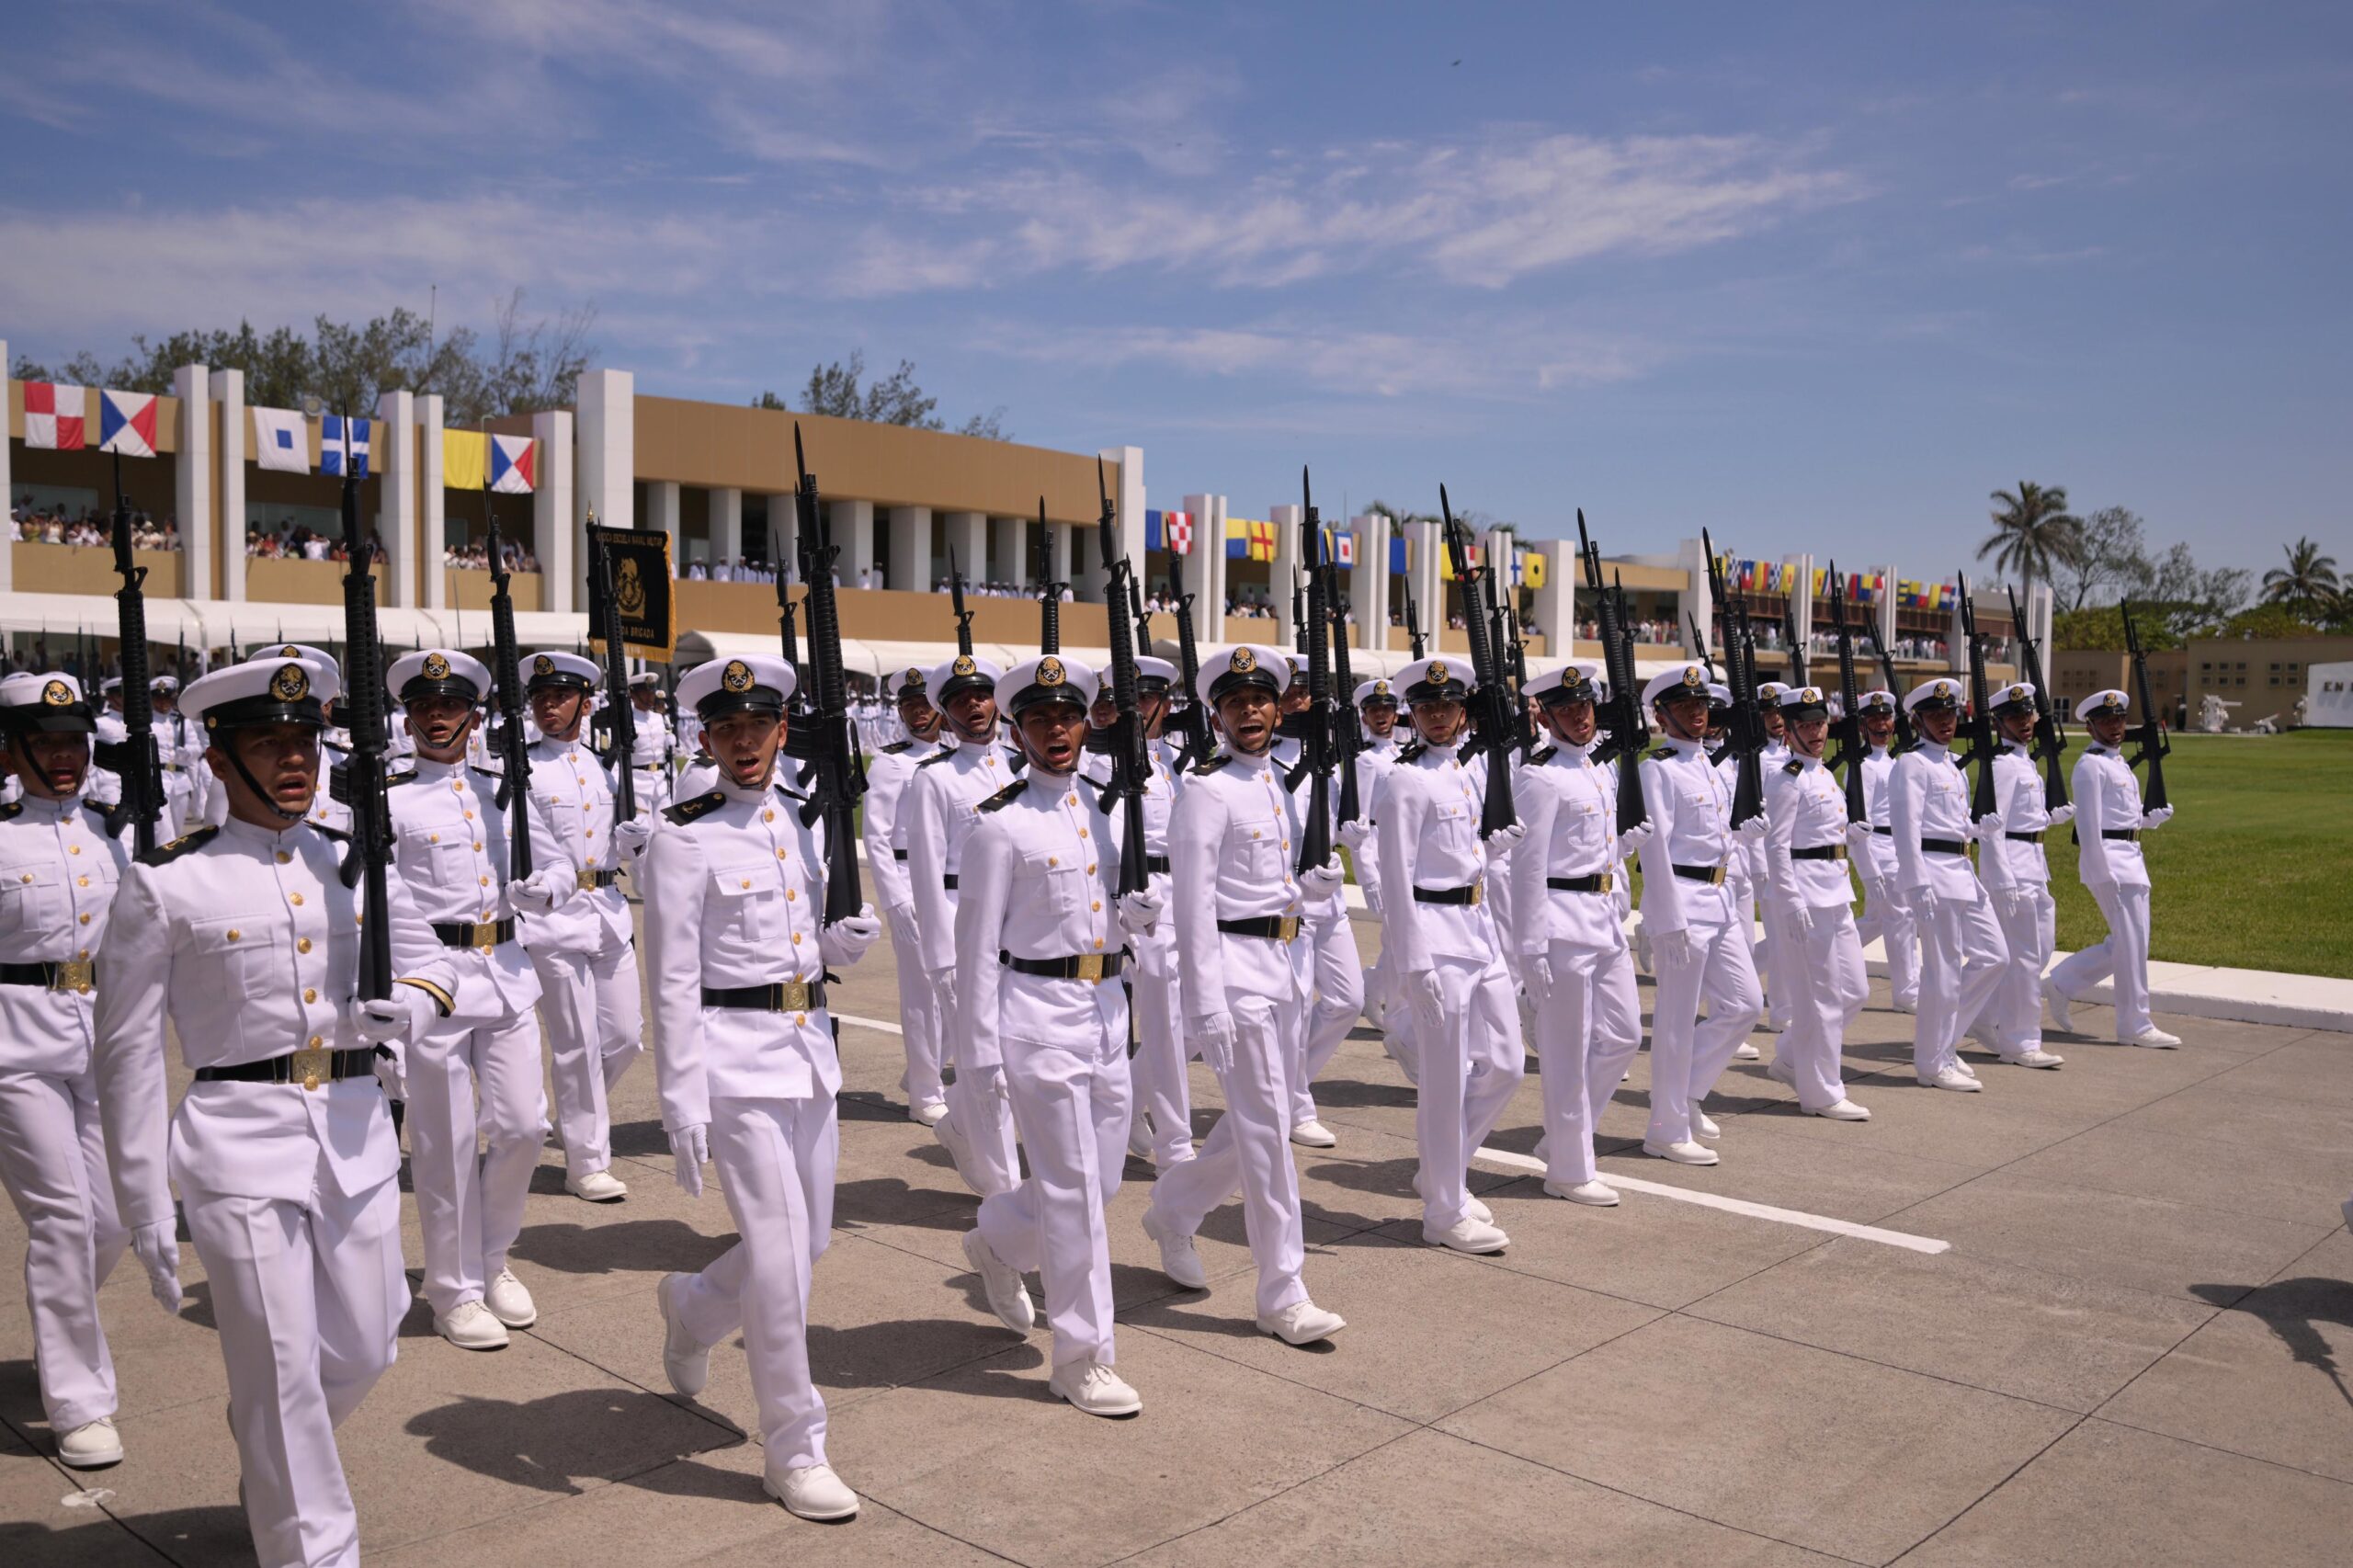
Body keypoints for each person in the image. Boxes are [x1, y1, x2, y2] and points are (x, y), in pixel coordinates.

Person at [94, 652, 456, 1568]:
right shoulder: (166, 883)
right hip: (237, 1144)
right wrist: (143, 1201)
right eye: (268, 744)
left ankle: (269, 1444)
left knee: (369, 1343)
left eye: (304, 743)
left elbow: (436, 961)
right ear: (219, 759)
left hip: (354, 1131)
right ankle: (313, 1546)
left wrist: (411, 1004)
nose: (294, 760)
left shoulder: (352, 859)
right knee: (285, 1367)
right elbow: (126, 1054)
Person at [644, 654, 880, 1521]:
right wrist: (680, 1099)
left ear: (783, 731)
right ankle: (795, 1448)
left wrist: (840, 945)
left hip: (808, 1052)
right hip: (732, 1061)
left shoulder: (804, 816)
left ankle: (696, 1306)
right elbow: (671, 978)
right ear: (705, 739)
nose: (743, 742)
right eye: (726, 729)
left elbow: (804, 937)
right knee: (779, 1259)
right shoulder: (683, 835)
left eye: (757, 726)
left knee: (807, 1244)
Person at [951, 654, 1164, 1414]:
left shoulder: (1109, 807)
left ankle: (998, 1240)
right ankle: (1083, 1357)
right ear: (1017, 732)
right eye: (1040, 719)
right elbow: (975, 950)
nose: (1057, 730)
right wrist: (978, 1057)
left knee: (1099, 1184)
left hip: (1107, 1010)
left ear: (1085, 724)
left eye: (1068, 716)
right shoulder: (999, 824)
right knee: (1074, 1195)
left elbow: (1122, 906)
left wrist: (1141, 919)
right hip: (1036, 1016)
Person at [1140, 644, 1347, 1343]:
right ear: (1216, 717)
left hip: (1284, 968)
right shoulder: (1207, 790)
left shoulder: (1281, 782)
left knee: (1259, 1123)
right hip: (1236, 977)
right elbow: (1194, 904)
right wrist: (1205, 1002)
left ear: (1278, 709)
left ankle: (1173, 1209)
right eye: (1234, 703)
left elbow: (1274, 884)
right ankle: (1283, 1292)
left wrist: (1311, 891)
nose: (1249, 712)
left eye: (1260, 700)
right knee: (1267, 1139)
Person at [382, 650, 579, 1350]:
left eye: (450, 707)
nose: (437, 718)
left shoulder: (503, 789)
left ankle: (492, 1258)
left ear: (474, 716)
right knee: (447, 1144)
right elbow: (376, 894)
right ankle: (453, 1288)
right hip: (432, 981)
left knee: (525, 1125)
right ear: (407, 718)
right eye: (423, 708)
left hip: (506, 972)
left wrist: (546, 889)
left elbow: (558, 860)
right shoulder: (389, 797)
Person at [0, 672, 131, 1468]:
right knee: (62, 1218)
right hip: (15, 1046)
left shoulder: (113, 833)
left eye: (74, 742)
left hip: (101, 1037)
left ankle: (58, 1326)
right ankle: (80, 1403)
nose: (63, 757)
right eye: (45, 743)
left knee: (112, 1219)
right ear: (10, 754)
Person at [1374, 655, 1526, 1252]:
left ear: (1465, 712)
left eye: (1449, 706)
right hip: (1436, 938)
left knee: (1508, 1065)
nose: (1439, 716)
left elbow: (1467, 856)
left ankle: (1445, 1174)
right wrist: (1414, 964)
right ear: (1411, 714)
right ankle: (1443, 1211)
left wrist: (1493, 854)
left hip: (1478, 929)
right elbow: (1395, 879)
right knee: (1445, 1082)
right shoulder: (1405, 780)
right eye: (1427, 707)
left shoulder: (1464, 770)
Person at [519, 651, 654, 1201]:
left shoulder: (604, 767)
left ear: (586, 705)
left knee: (624, 1037)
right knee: (576, 1044)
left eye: (560, 697)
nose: (548, 706)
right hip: (553, 919)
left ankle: (576, 1113)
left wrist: (632, 844)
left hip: (608, 912)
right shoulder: (522, 769)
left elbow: (618, 848)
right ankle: (587, 1163)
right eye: (540, 698)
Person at [1510, 661, 1646, 1203]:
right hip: (1563, 924)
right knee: (1567, 1053)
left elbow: (1599, 847)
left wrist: (1623, 859)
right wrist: (1531, 947)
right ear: (1546, 718)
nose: (1581, 717)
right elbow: (1526, 869)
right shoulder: (1540, 777)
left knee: (1624, 1035)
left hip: (1603, 919)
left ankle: (1564, 1140)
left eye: (1585, 706)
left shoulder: (1597, 769)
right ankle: (1569, 1170)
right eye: (1567, 710)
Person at [1634, 665, 1765, 1165]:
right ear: (1662, 715)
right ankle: (1665, 1129)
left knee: (1745, 1004)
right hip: (1685, 905)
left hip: (1721, 899)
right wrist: (1666, 919)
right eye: (1685, 706)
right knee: (1675, 1020)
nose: (1697, 713)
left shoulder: (1710, 764)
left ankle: (1685, 1094)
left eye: (1701, 705)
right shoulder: (1659, 769)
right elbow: (1655, 851)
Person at [904, 653, 1024, 1196]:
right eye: (960, 700)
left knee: (1013, 1056)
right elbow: (926, 872)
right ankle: (1006, 1191)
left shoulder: (1020, 766)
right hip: (962, 929)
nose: (973, 706)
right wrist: (941, 956)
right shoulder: (935, 778)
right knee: (982, 1059)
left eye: (981, 695)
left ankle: (957, 1121)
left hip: (1017, 933)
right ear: (944, 712)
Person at [1758, 686, 1872, 1119]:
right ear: (1788, 731)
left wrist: (1849, 838)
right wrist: (1790, 901)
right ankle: (1822, 1092)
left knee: (1855, 991)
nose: (1816, 732)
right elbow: (1777, 847)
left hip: (1836, 894)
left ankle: (1791, 1059)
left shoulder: (1823, 773)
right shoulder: (1787, 779)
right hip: (1807, 898)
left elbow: (1824, 834)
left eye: (1820, 723)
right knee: (1822, 998)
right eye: (1806, 725)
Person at [1888, 676, 2007, 1092]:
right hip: (1934, 877)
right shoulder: (1911, 764)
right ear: (1917, 720)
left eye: (1950, 714)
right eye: (1936, 715)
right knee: (1943, 973)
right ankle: (1932, 1063)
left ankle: (1946, 1043)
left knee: (1995, 956)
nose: (1946, 722)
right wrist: (1916, 882)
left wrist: (1976, 829)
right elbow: (1906, 828)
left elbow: (1948, 822)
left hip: (1962, 871)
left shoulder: (1953, 764)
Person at [2045, 687, 2180, 1047]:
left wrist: (2149, 820)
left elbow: (2121, 817)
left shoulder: (2118, 763)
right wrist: (2100, 871)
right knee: (2131, 943)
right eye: (2106, 721)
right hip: (2111, 864)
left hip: (2132, 859)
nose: (2115, 726)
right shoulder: (2090, 766)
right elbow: (2088, 827)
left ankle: (2061, 983)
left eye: (2119, 719)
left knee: (2130, 942)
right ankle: (2135, 1024)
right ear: (2090, 727)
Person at [863, 665, 951, 1124]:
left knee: (964, 988)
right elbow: (876, 836)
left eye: (924, 704)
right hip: (909, 879)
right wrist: (894, 899)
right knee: (923, 993)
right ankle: (925, 1093)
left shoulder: (954, 758)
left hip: (950, 883)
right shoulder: (890, 762)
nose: (917, 712)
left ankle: (924, 1069)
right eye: (909, 705)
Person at [1972, 682, 2069, 1069]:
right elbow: (1992, 828)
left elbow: (2023, 818)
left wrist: (2048, 817)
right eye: (2014, 717)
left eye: (2027, 714)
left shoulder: (2024, 762)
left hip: (2034, 866)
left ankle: (1983, 1015)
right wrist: (2002, 878)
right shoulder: (2003, 766)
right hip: (2013, 870)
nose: (2024, 722)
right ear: (1998, 723)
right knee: (2025, 958)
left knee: (2040, 950)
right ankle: (2021, 1042)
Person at [1848, 690, 1921, 1013]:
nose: (1882, 725)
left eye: (1886, 718)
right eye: (1874, 720)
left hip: (1898, 848)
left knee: (1878, 919)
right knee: (1902, 917)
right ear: (1862, 726)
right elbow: (1857, 823)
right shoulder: (1863, 767)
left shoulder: (1894, 763)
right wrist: (1869, 867)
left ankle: (1822, 954)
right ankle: (1907, 991)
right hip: (1879, 849)